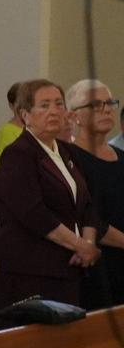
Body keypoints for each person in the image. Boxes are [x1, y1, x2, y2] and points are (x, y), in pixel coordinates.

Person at [0, 78, 102, 309]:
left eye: (59, 104)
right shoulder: (18, 154)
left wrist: (87, 242)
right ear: (25, 115)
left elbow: (87, 206)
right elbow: (34, 214)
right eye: (44, 105)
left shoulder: (66, 152)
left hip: (69, 267)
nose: (54, 111)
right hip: (31, 272)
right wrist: (79, 245)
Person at [64, 78, 124, 307]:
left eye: (110, 103)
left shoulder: (121, 156)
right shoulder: (70, 158)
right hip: (96, 266)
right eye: (95, 104)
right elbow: (83, 215)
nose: (106, 109)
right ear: (73, 116)